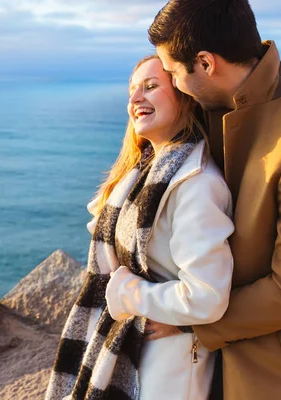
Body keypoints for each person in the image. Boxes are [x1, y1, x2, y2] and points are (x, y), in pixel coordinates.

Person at [146, 0, 281, 398]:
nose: (172, 84)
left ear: (206, 63)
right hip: (211, 361)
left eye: (172, 72)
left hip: (273, 373)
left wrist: (191, 320)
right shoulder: (219, 101)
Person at [45, 55, 234, 400]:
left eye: (151, 87)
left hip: (169, 365)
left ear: (184, 97)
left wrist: (129, 296)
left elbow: (206, 296)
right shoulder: (143, 174)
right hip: (136, 349)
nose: (135, 99)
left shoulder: (195, 183)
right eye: (132, 90)